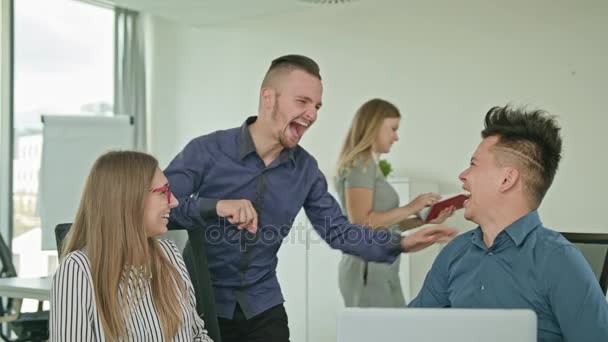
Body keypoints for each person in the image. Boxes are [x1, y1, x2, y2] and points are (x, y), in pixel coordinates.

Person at [164, 54, 458, 342]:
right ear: (269, 98)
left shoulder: (305, 170)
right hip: (199, 303)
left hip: (262, 305)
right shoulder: (207, 150)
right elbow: (160, 207)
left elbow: (339, 232)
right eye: (302, 101)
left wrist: (402, 243)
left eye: (317, 106)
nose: (312, 114)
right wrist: (215, 206)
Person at [409, 106, 608, 341]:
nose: (463, 175)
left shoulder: (559, 260)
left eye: (473, 164)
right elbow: (410, 329)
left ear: (506, 179)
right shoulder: (455, 253)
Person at [50, 151, 212, 341]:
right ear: (128, 200)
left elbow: (196, 335)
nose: (174, 201)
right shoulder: (78, 269)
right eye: (163, 193)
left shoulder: (169, 254)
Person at [335, 98, 454, 307]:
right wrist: (411, 206)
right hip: (367, 269)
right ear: (374, 127)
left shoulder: (370, 166)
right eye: (392, 129)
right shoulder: (360, 166)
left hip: (382, 264)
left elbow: (382, 223)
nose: (396, 137)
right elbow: (363, 223)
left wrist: (422, 220)